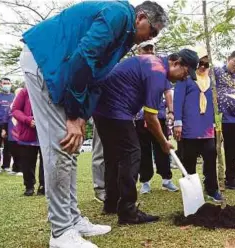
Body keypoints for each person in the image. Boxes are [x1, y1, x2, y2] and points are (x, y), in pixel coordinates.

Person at [19, 1, 168, 247]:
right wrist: (72, 115)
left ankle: (72, 218)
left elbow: (98, 75)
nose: (149, 39)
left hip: (63, 69)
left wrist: (80, 115)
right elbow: (84, 57)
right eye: (151, 31)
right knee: (61, 144)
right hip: (47, 63)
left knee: (72, 147)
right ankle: (61, 230)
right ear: (140, 17)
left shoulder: (125, 37)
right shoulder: (119, 16)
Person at [93, 49, 199, 225]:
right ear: (176, 63)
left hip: (101, 110)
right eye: (185, 73)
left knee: (113, 156)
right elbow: (150, 118)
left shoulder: (154, 64)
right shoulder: (157, 73)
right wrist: (164, 142)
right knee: (132, 154)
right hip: (115, 110)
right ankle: (128, 211)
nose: (184, 78)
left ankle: (111, 203)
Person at [173, 46, 223, 202]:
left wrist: (218, 125)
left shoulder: (211, 81)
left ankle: (211, 189)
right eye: (200, 63)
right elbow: (178, 100)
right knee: (189, 160)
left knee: (210, 156)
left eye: (206, 64)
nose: (202, 66)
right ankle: (191, 192)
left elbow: (216, 105)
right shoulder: (186, 78)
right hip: (189, 127)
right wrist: (178, 122)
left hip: (207, 128)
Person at [135, 40, 178, 194]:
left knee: (163, 146)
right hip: (140, 117)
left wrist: (171, 111)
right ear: (139, 50)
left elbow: (167, 92)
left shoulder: (159, 69)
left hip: (158, 115)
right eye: (146, 49)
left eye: (152, 49)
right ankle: (145, 181)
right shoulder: (136, 68)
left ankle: (166, 179)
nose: (150, 51)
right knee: (143, 150)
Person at [214, 50, 235, 190]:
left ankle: (231, 179)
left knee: (231, 151)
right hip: (216, 118)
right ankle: (211, 181)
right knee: (212, 150)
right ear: (228, 59)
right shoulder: (215, 72)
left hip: (233, 119)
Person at [11, 88, 45, 196]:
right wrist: (28, 120)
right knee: (27, 161)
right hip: (27, 132)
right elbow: (15, 110)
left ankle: (43, 185)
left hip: (45, 132)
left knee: (46, 162)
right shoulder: (25, 92)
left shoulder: (49, 90)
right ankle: (29, 186)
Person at [7, 87, 24, 176]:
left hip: (21, 130)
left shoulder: (25, 103)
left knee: (21, 149)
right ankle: (15, 168)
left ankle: (21, 169)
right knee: (13, 149)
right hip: (11, 130)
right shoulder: (12, 104)